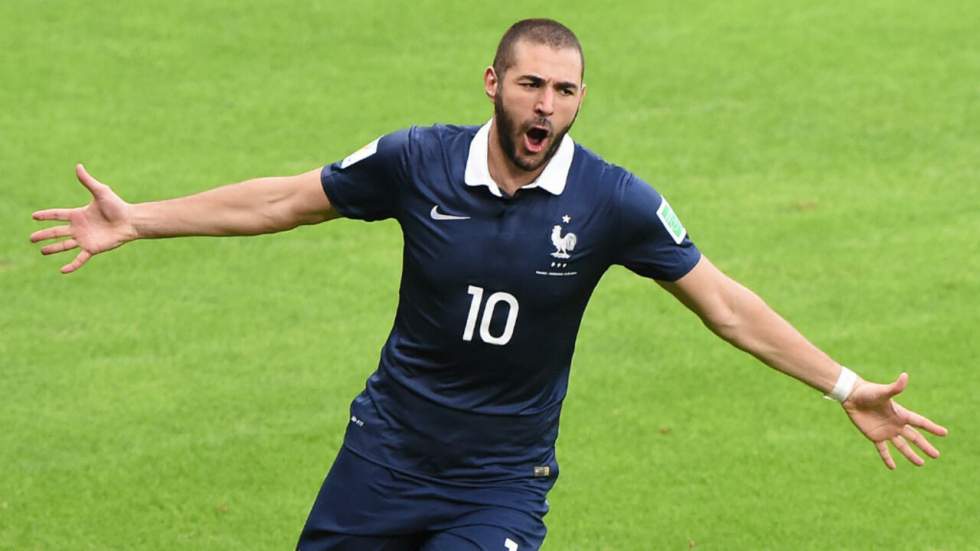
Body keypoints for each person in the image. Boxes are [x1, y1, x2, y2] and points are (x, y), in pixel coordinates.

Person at [31, 18, 946, 551]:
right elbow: (282, 200)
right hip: (382, 458)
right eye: (531, 84)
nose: (547, 105)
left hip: (499, 482)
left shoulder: (611, 200)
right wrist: (140, 216)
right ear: (492, 84)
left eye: (566, 90)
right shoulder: (415, 161)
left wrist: (844, 384)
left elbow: (726, 303)